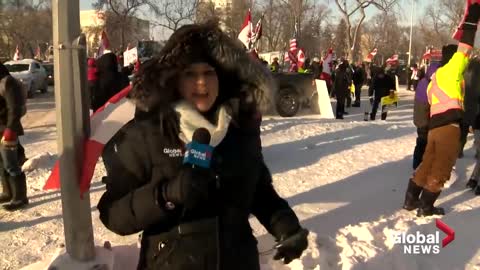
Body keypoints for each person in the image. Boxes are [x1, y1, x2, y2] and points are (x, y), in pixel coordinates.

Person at [97, 21, 308, 270]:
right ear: (174, 80)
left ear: (223, 77)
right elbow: (113, 214)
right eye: (190, 74)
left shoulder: (239, 128)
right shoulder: (149, 130)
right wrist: (166, 195)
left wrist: (284, 224)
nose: (201, 83)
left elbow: (257, 188)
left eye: (209, 73)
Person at [402, 3, 480, 217]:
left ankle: (410, 200)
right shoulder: (452, 70)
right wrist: (473, 18)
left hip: (435, 128)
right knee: (442, 168)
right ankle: (426, 207)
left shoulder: (433, 80)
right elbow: (466, 46)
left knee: (427, 164)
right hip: (449, 127)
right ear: (452, 58)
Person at [0, 63, 28, 211]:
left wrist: (10, 129)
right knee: (1, 165)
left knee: (11, 164)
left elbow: (14, 108)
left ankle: (20, 198)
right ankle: (7, 192)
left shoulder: (7, 82)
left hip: (7, 130)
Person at [411, 63, 439, 171]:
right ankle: (418, 164)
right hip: (424, 119)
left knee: (421, 142)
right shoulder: (429, 85)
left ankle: (417, 163)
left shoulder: (423, 81)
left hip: (420, 118)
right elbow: (428, 104)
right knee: (423, 142)